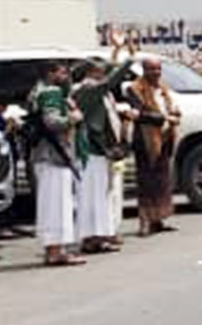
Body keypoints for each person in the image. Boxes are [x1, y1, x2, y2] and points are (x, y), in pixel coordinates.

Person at [72, 54, 132, 255]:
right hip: (90, 150)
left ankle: (101, 235)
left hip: (100, 150)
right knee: (91, 195)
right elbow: (111, 80)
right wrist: (130, 59)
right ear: (90, 73)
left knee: (101, 195)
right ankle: (91, 238)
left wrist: (117, 51)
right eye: (99, 71)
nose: (103, 74)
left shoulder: (96, 91)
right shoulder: (87, 90)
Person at [30, 62, 84, 265]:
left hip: (50, 156)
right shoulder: (50, 92)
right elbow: (52, 122)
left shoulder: (42, 91)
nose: (66, 76)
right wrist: (73, 118)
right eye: (62, 72)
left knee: (57, 204)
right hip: (52, 155)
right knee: (54, 205)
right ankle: (54, 251)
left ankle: (57, 249)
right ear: (51, 74)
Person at [127, 55, 181, 236]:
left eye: (158, 69)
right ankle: (144, 222)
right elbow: (140, 113)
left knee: (161, 181)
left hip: (164, 138)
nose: (156, 73)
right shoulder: (134, 88)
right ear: (143, 70)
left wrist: (174, 116)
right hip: (145, 140)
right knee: (146, 182)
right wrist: (164, 118)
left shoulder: (163, 89)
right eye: (151, 69)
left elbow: (172, 108)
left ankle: (158, 220)